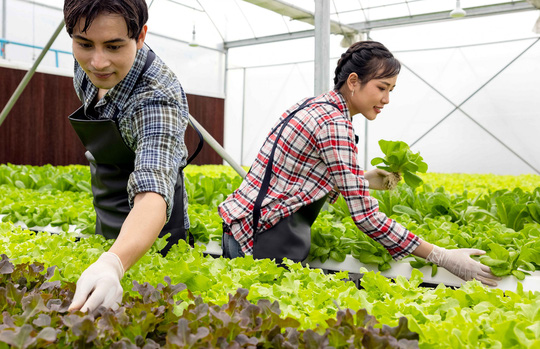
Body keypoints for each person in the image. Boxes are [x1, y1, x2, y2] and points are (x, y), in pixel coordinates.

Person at [218, 40, 500, 287]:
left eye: (391, 89)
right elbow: (365, 217)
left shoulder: (310, 106)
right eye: (382, 87)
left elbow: (295, 177)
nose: (386, 99)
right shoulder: (335, 124)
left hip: (241, 230)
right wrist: (441, 255)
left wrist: (362, 179)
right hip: (262, 240)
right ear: (353, 82)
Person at [63, 0, 196, 312]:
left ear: (140, 36)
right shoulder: (88, 66)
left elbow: (153, 191)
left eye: (113, 46)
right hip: (107, 205)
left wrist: (113, 262)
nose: (97, 62)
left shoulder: (157, 97)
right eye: (84, 44)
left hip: (155, 231)